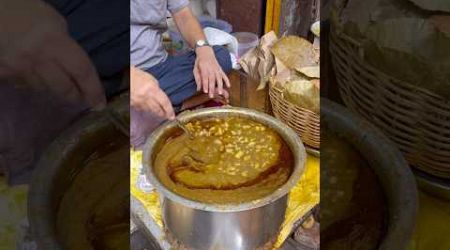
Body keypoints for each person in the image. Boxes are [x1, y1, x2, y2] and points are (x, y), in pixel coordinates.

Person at [130, 0, 232, 120]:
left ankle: (162, 105)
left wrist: (203, 50)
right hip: (126, 76)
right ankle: (180, 104)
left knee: (220, 56)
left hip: (162, 68)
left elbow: (183, 14)